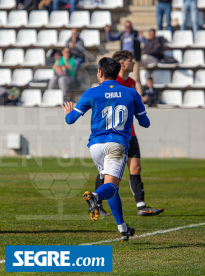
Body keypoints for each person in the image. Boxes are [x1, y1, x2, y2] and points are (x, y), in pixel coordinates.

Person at [62, 57, 150, 241]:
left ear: (100, 73)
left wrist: (67, 112)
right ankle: (95, 196)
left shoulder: (91, 92)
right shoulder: (131, 93)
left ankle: (123, 228)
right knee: (110, 186)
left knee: (112, 187)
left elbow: (70, 120)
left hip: (95, 146)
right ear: (117, 73)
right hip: (116, 145)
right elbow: (145, 123)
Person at [94, 50, 164, 217]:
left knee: (136, 167)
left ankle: (141, 206)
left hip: (130, 134)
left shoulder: (131, 83)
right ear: (122, 64)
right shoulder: (112, 83)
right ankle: (96, 203)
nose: (134, 63)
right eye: (131, 61)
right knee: (105, 172)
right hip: (113, 136)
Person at [104, 21, 145, 95]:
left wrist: (142, 36)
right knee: (122, 76)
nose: (128, 28)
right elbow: (111, 38)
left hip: (134, 58)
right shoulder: (122, 34)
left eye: (129, 26)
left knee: (136, 77)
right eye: (126, 26)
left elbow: (143, 41)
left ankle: (140, 96)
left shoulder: (135, 34)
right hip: (123, 59)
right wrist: (107, 31)